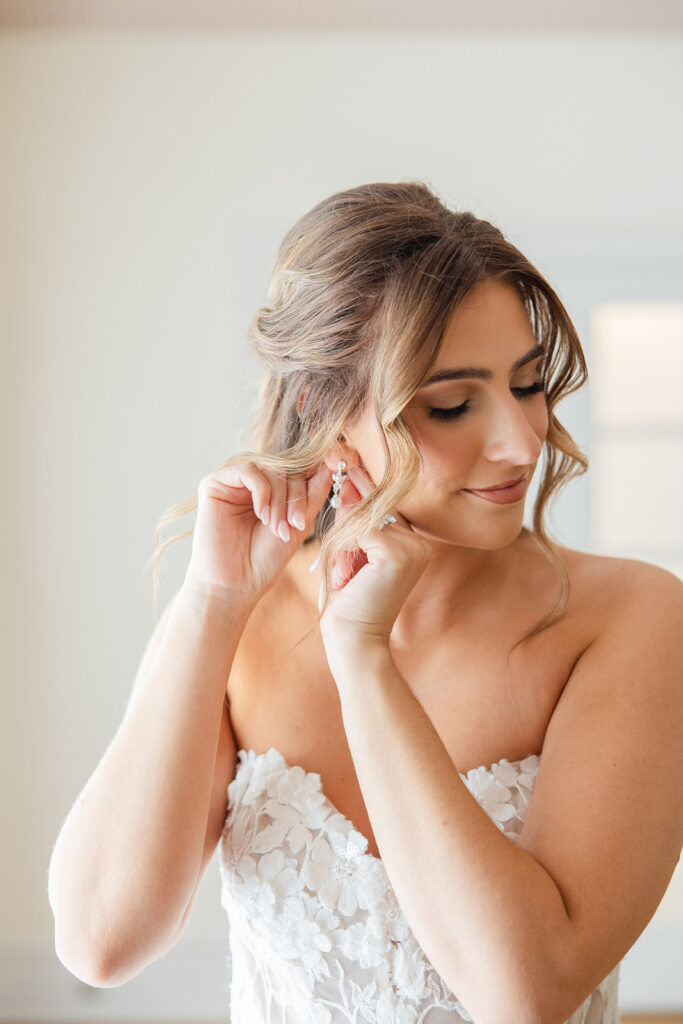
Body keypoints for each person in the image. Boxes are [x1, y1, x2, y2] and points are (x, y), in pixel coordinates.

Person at [48, 181, 683, 1024]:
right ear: (322, 410)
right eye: (452, 404)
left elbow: (524, 994)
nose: (521, 441)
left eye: (528, 386)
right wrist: (210, 603)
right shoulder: (242, 623)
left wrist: (363, 657)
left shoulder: (630, 619)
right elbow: (99, 941)